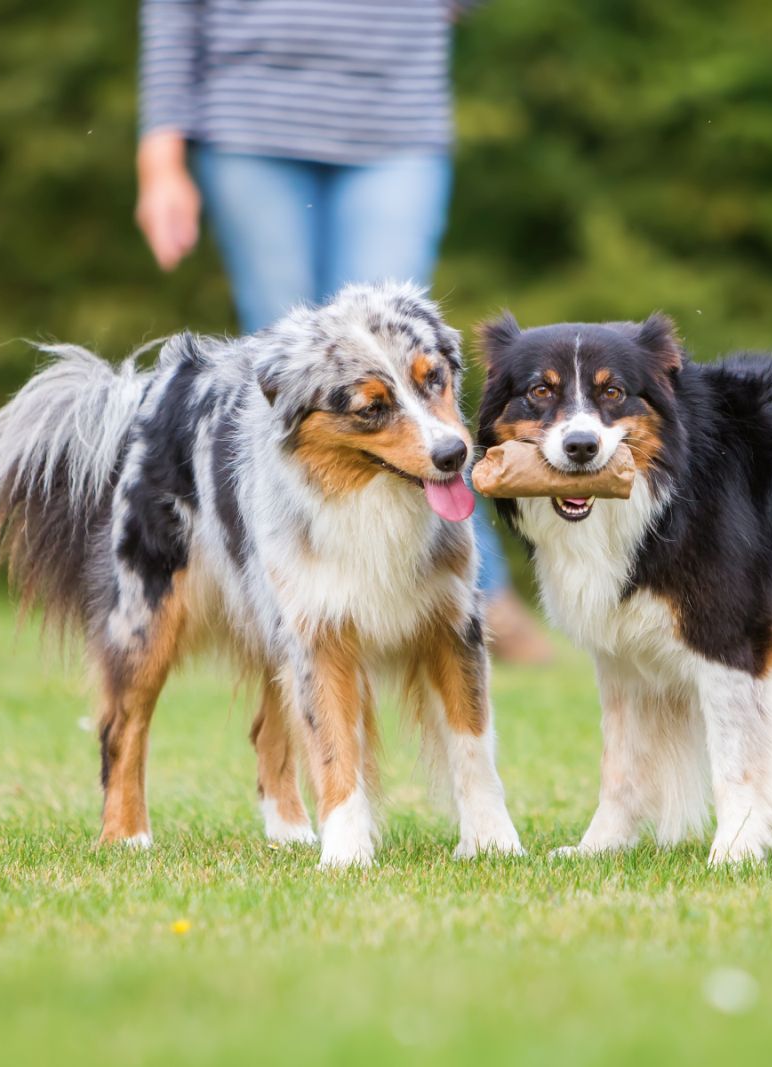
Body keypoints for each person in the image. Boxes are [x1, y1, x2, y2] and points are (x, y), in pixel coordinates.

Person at [133, 0, 550, 663]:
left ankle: (469, 591)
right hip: (251, 120)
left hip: (395, 119)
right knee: (293, 384)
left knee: (409, 365)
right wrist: (160, 159)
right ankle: (301, 585)